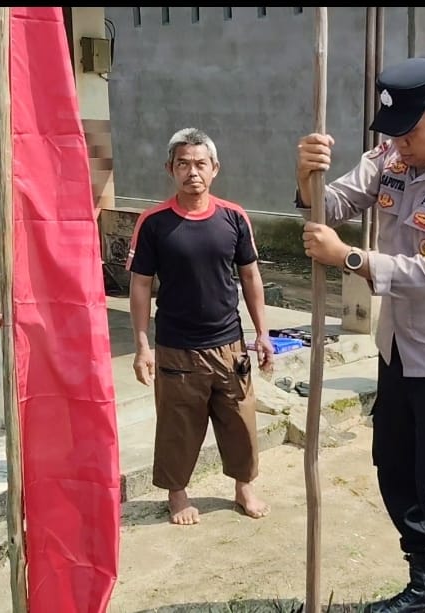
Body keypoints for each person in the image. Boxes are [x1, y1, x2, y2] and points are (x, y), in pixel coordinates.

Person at [295, 58, 425, 613]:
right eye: (392, 133)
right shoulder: (391, 156)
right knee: (394, 472)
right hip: (396, 350)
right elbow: (334, 204)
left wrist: (349, 258)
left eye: (410, 132)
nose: (399, 144)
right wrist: (307, 177)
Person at [127, 127, 275, 525]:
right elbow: (140, 285)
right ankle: (177, 494)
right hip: (177, 348)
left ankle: (244, 486)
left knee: (240, 420)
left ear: (215, 169)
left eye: (200, 164)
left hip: (229, 344)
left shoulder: (234, 217)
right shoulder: (154, 223)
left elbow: (250, 277)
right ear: (170, 169)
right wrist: (142, 345)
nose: (192, 172)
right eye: (183, 164)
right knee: (177, 425)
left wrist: (262, 333)